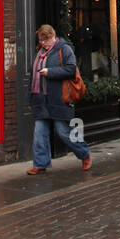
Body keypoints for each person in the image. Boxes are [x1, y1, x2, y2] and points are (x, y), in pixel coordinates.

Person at [28, 24, 92, 174]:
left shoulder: (64, 49)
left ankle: (84, 154)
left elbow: (71, 69)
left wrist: (50, 72)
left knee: (64, 131)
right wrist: (30, 99)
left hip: (59, 98)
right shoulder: (39, 52)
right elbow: (33, 77)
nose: (43, 43)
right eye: (41, 40)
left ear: (53, 36)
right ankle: (40, 163)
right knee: (39, 133)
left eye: (46, 40)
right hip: (40, 99)